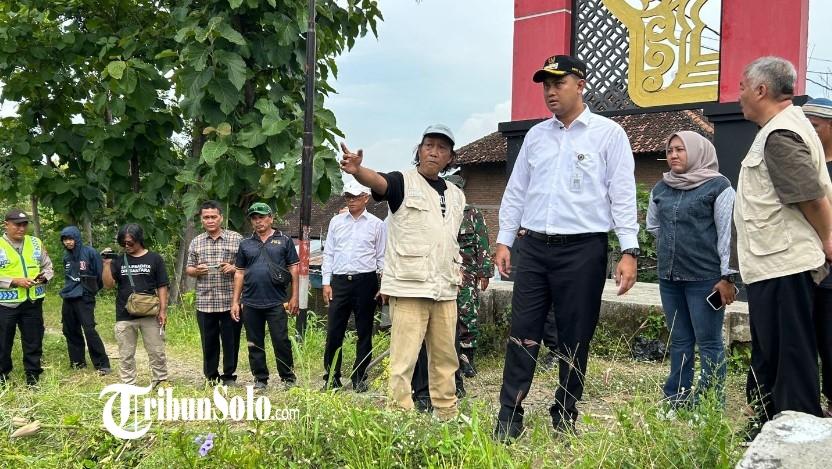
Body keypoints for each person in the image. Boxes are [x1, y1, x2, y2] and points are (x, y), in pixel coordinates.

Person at [493, 55, 639, 440]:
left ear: (580, 85)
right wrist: (504, 239)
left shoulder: (608, 134)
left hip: (583, 250)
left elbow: (622, 194)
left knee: (576, 335)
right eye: (546, 85)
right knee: (523, 331)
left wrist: (629, 250)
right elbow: (517, 191)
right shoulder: (536, 136)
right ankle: (510, 415)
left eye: (559, 83)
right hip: (534, 248)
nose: (551, 91)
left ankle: (564, 412)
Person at [340, 123, 466, 420]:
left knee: (446, 357)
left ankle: (446, 412)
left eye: (442, 148)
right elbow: (379, 181)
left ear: (450, 158)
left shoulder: (456, 194)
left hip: (445, 287)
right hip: (410, 286)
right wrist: (358, 171)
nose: (434, 152)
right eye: (428, 146)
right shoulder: (402, 182)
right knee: (403, 359)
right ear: (419, 150)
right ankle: (400, 415)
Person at [735, 57, 832, 432]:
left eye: (743, 87)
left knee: (790, 360)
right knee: (773, 357)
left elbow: (810, 197)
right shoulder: (781, 129)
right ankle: (769, 428)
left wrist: (828, 237)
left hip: (784, 265)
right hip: (774, 264)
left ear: (761, 90)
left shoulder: (780, 134)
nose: (740, 95)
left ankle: (797, 436)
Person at [646, 131, 737, 409]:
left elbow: (728, 234)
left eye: (680, 149)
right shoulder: (661, 187)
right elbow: (653, 225)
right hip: (670, 278)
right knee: (680, 340)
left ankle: (710, 402)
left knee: (709, 342)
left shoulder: (719, 186)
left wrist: (728, 277)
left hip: (705, 279)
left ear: (698, 152)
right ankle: (677, 398)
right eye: (670, 150)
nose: (673, 155)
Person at [410, 174, 493, 408]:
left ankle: (467, 360)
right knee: (442, 322)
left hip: (465, 273)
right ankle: (436, 371)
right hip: (440, 274)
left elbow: (482, 242)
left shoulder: (471, 213)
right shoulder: (435, 211)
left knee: (467, 316)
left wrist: (484, 272)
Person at [321, 181, 386, 392]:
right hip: (340, 281)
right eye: (348, 197)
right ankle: (331, 378)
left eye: (356, 197)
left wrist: (383, 284)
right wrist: (326, 282)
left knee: (364, 331)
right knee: (334, 331)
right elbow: (329, 253)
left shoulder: (377, 224)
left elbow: (381, 257)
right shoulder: (336, 222)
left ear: (366, 198)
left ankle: (360, 377)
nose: (351, 201)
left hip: (365, 281)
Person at [231, 202, 299, 391]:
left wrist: (295, 297)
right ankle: (260, 378)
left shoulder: (284, 240)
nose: (258, 221)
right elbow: (239, 273)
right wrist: (235, 302)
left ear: (271, 218)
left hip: (277, 301)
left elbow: (294, 269)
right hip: (250, 301)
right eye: (254, 218)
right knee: (254, 342)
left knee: (281, 340)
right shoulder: (245, 244)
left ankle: (288, 377)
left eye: (261, 217)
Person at [102, 223, 170, 386]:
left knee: (156, 351)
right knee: (126, 353)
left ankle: (160, 380)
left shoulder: (155, 258)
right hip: (125, 313)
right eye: (123, 243)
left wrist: (163, 310)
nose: (127, 246)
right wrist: (106, 264)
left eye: (130, 242)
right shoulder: (119, 260)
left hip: (150, 313)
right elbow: (108, 285)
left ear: (139, 239)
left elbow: (162, 286)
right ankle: (128, 384)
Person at [186, 201, 243, 386]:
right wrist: (197, 271)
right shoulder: (196, 241)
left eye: (213, 217)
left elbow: (246, 266)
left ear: (221, 218)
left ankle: (229, 376)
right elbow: (189, 268)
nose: (210, 220)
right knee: (208, 341)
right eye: (206, 217)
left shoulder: (236, 239)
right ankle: (211, 376)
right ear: (201, 220)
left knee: (231, 341)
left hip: (230, 301)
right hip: (205, 301)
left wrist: (233, 268)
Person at [0, 209, 54, 386]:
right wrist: (13, 281)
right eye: (17, 225)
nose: (21, 228)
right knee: (3, 343)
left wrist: (45, 277)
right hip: (6, 304)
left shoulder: (35, 243)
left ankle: (33, 377)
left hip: (32, 302)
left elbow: (48, 266)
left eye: (24, 224)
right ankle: (2, 378)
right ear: (6, 225)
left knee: (33, 341)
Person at [803, 97, 832, 417]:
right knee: (802, 341)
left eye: (815, 127)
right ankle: (807, 405)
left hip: (830, 271)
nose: (809, 133)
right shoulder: (802, 167)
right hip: (802, 268)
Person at [59, 225, 111, 375]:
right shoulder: (66, 256)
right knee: (70, 330)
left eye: (70, 239)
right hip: (68, 296)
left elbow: (99, 276)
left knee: (89, 330)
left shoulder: (90, 252)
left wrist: (90, 291)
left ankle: (102, 364)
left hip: (84, 297)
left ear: (76, 238)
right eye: (65, 239)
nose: (68, 242)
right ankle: (77, 362)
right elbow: (68, 277)